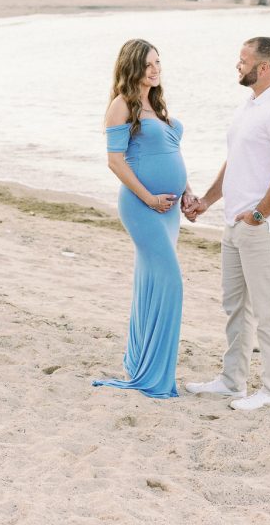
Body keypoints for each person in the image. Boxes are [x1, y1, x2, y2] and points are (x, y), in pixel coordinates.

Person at [183, 36, 270, 412]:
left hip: (265, 227)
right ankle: (231, 381)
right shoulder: (250, 105)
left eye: (243, 60)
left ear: (264, 68)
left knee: (269, 309)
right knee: (236, 306)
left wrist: (259, 214)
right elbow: (235, 161)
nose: (237, 65)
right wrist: (206, 200)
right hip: (236, 223)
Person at [92, 38, 190, 399]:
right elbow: (115, 161)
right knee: (171, 283)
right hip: (142, 207)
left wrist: (188, 190)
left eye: (159, 63)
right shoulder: (121, 105)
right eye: (149, 64)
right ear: (133, 65)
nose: (155, 69)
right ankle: (152, 374)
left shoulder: (157, 106)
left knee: (150, 282)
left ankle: (140, 362)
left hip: (169, 210)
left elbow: (169, 152)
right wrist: (148, 197)